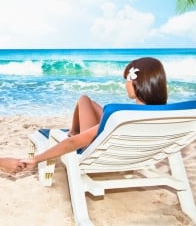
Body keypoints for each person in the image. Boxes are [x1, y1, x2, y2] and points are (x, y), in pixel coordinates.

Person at [20, 57, 168, 170]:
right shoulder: (167, 114)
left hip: (103, 153)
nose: (125, 84)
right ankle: (74, 130)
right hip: (134, 153)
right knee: (93, 105)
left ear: (137, 81)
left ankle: (73, 131)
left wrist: (36, 159)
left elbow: (73, 143)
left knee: (84, 99)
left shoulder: (122, 114)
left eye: (127, 80)